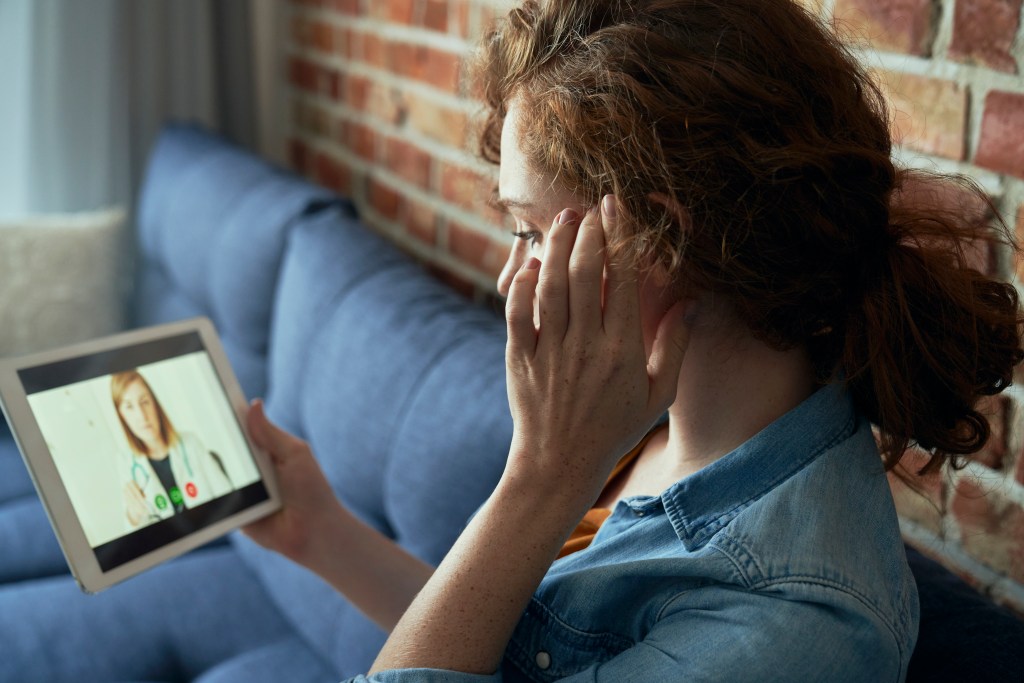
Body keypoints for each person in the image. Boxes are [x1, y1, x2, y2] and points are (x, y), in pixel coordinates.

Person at [239, 1, 1023, 681]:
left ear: (661, 241)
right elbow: (507, 653)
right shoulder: (650, 404)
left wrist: (541, 477)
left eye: (531, 228)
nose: (514, 276)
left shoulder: (793, 628)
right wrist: (322, 532)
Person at [112, 370, 232, 528]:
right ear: (122, 416)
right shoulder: (126, 462)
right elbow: (134, 538)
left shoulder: (191, 443)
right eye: (129, 407)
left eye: (144, 402)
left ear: (155, 404)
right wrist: (134, 516)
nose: (142, 415)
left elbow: (229, 499)